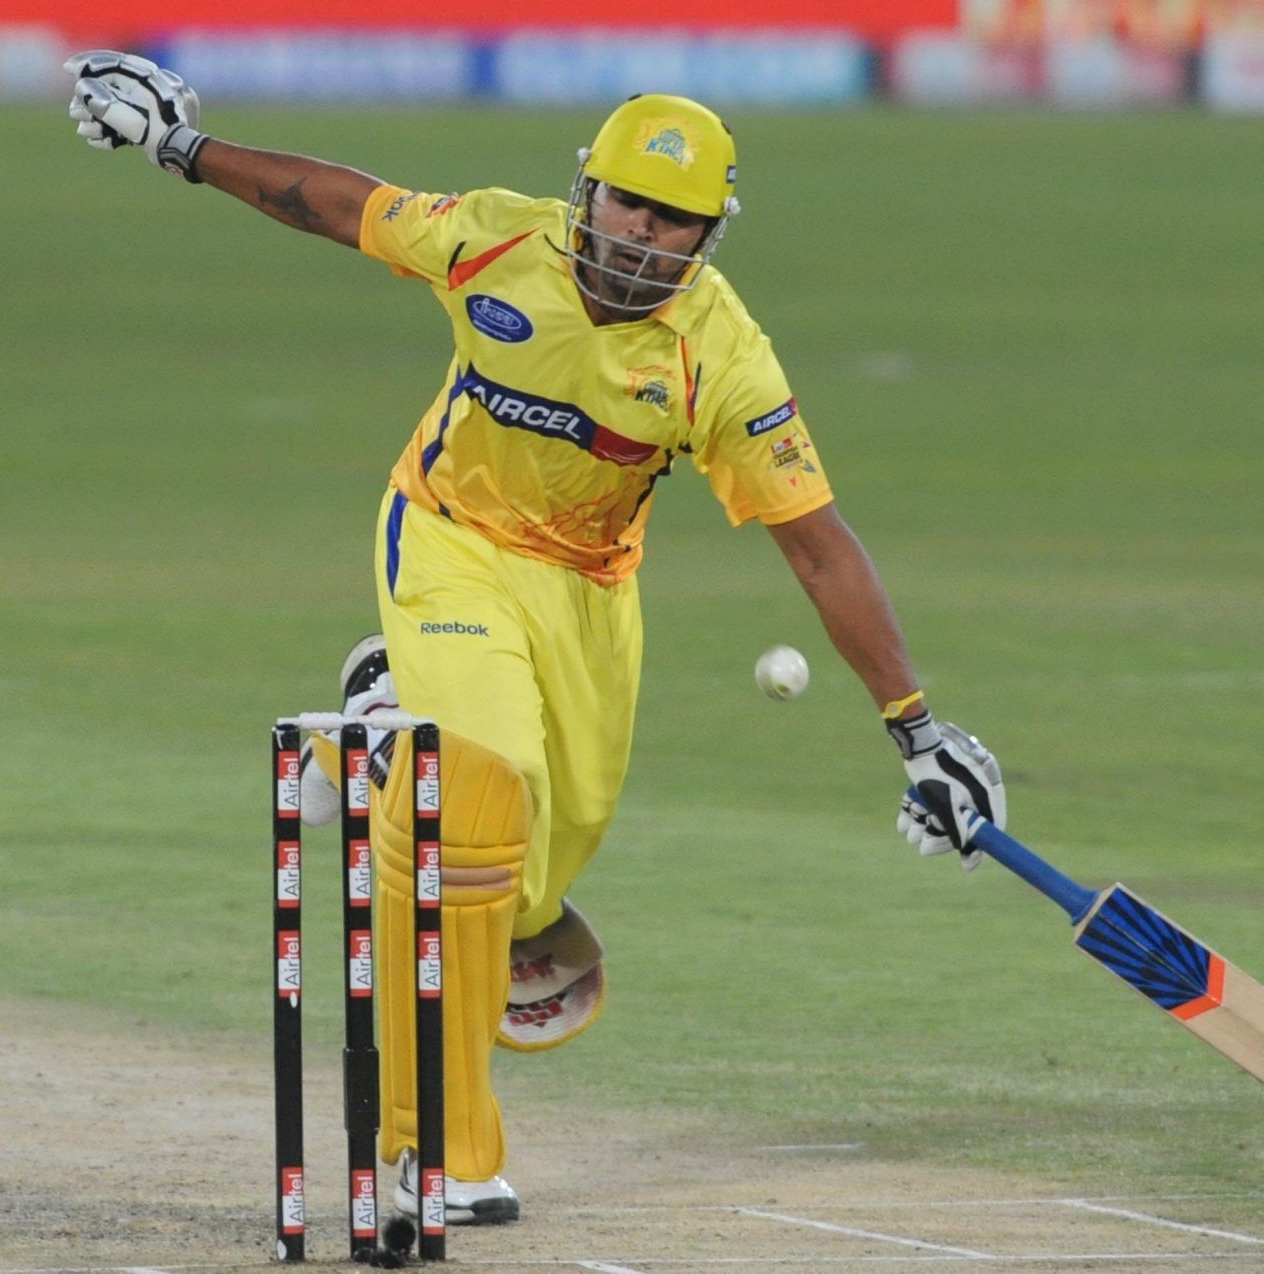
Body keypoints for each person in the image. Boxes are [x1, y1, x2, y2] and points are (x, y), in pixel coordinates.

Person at [63, 51, 1007, 1226]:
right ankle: (436, 1144)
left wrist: (918, 731)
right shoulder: (495, 239)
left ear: (709, 235)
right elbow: (340, 203)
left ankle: (377, 710)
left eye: (676, 219)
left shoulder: (722, 356)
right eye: (629, 202)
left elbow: (816, 543)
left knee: (537, 870)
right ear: (586, 191)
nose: (645, 234)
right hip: (449, 538)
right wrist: (184, 149)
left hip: (589, 591)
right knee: (477, 806)